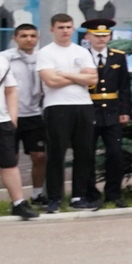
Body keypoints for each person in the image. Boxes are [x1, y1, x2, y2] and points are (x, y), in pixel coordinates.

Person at [35, 12, 99, 210]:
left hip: (84, 106)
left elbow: (93, 80)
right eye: (61, 27)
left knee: (84, 152)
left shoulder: (82, 51)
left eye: (68, 27)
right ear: (52, 29)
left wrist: (66, 74)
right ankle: (54, 198)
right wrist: (79, 76)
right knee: (56, 154)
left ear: (73, 28)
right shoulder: (46, 52)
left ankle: (78, 197)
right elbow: (51, 81)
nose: (65, 31)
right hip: (57, 107)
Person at [85, 20, 132, 206]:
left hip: (112, 112)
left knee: (115, 154)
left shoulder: (118, 56)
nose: (101, 39)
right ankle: (92, 195)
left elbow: (124, 86)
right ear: (88, 36)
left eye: (104, 35)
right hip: (88, 110)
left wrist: (125, 110)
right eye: (96, 35)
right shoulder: (82, 56)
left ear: (110, 36)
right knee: (87, 154)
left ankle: (113, 193)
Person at [0, 19, 31, 219]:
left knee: (9, 164)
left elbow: (11, 90)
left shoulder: (2, 61)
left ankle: (19, 203)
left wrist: (12, 120)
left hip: (2, 121)